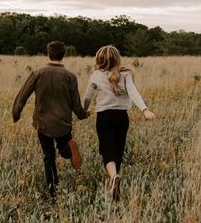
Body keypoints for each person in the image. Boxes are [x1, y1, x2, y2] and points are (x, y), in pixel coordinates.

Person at [12, 41, 88, 197]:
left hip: (43, 124)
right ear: (63, 55)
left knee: (49, 156)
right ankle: (69, 148)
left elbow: (23, 95)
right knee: (64, 151)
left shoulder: (38, 73)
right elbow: (75, 103)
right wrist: (82, 114)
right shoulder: (70, 76)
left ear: (48, 54)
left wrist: (16, 113)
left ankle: (53, 191)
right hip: (63, 124)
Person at [84, 45, 155, 201]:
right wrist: (144, 110)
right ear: (117, 58)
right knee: (118, 150)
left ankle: (114, 177)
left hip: (104, 117)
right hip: (121, 117)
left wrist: (83, 111)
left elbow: (88, 97)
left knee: (106, 150)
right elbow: (133, 92)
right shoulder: (126, 74)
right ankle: (114, 183)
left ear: (99, 59)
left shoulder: (96, 74)